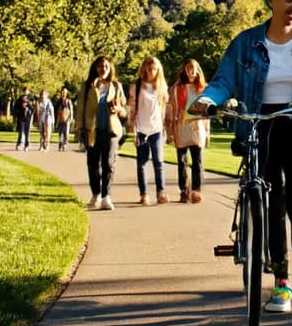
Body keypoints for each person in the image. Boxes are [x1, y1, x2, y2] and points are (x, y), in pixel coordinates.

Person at [189, 0, 292, 319]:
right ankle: (281, 282)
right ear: (271, 0)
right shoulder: (245, 42)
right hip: (259, 125)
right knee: (272, 204)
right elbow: (224, 81)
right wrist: (207, 100)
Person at [75, 56, 127, 211]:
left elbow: (125, 110)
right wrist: (79, 129)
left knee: (109, 164)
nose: (102, 69)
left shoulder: (116, 86)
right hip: (92, 130)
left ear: (110, 68)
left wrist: (119, 110)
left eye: (105, 66)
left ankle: (106, 196)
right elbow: (80, 110)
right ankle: (96, 194)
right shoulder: (87, 86)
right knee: (93, 164)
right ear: (95, 68)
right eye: (99, 66)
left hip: (111, 130)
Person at [167, 59, 210, 204]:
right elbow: (171, 108)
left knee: (197, 160)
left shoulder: (203, 89)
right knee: (182, 160)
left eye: (194, 68)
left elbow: (207, 112)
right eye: (188, 68)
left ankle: (196, 190)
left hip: (197, 127)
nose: (191, 71)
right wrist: (170, 127)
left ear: (198, 70)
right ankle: (184, 190)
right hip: (181, 126)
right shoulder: (177, 88)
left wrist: (207, 131)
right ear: (184, 70)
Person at [128, 56, 168, 205]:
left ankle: (161, 192)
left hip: (156, 128)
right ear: (144, 68)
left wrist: (165, 127)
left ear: (158, 70)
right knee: (142, 163)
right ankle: (144, 193)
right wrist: (133, 129)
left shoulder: (162, 86)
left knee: (159, 162)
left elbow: (164, 108)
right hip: (141, 129)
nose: (151, 71)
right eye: (149, 68)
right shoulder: (137, 86)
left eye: (154, 68)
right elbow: (132, 109)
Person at [13, 87, 34, 151]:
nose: (26, 92)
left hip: (27, 117)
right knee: (20, 132)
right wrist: (17, 115)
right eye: (24, 91)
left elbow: (33, 109)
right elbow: (15, 108)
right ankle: (19, 144)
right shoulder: (19, 99)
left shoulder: (31, 99)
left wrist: (28, 104)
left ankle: (26, 145)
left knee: (27, 132)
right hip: (21, 117)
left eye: (27, 91)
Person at [55, 87, 74, 151]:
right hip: (60, 119)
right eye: (63, 92)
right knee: (60, 133)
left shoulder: (68, 101)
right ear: (61, 93)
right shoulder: (59, 101)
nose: (63, 93)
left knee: (66, 133)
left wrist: (71, 117)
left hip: (67, 119)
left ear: (66, 93)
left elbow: (71, 110)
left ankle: (65, 144)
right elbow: (57, 111)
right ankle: (60, 145)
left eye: (65, 92)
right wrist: (57, 121)